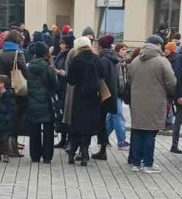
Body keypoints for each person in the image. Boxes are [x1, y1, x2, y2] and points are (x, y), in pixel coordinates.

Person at [126, 35, 176, 174]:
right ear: (158, 45)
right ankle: (148, 164)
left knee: (137, 131)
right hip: (156, 102)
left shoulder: (135, 60)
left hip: (137, 102)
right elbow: (171, 82)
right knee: (150, 133)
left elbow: (129, 80)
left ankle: (135, 164)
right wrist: (169, 94)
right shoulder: (162, 61)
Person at [66, 35, 103, 167]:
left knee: (77, 125)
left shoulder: (76, 60)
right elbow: (102, 75)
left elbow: (71, 80)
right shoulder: (96, 59)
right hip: (93, 97)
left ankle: (72, 153)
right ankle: (85, 154)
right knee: (87, 127)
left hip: (79, 97)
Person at [0, 30, 29, 157]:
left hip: (4, 88)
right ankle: (12, 148)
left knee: (6, 118)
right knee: (16, 119)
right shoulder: (18, 53)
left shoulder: (1, 52)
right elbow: (25, 71)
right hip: (17, 89)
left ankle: (3, 147)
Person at [25, 41, 58, 163]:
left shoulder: (28, 67)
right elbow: (55, 86)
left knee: (34, 130)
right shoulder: (49, 68)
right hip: (46, 102)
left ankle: (35, 156)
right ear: (45, 54)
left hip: (32, 101)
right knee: (48, 130)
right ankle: (47, 156)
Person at [96, 33, 122, 158]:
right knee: (102, 122)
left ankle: (102, 149)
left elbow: (100, 78)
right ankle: (103, 148)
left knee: (100, 123)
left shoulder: (103, 60)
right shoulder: (113, 58)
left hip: (103, 95)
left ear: (101, 46)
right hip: (112, 94)